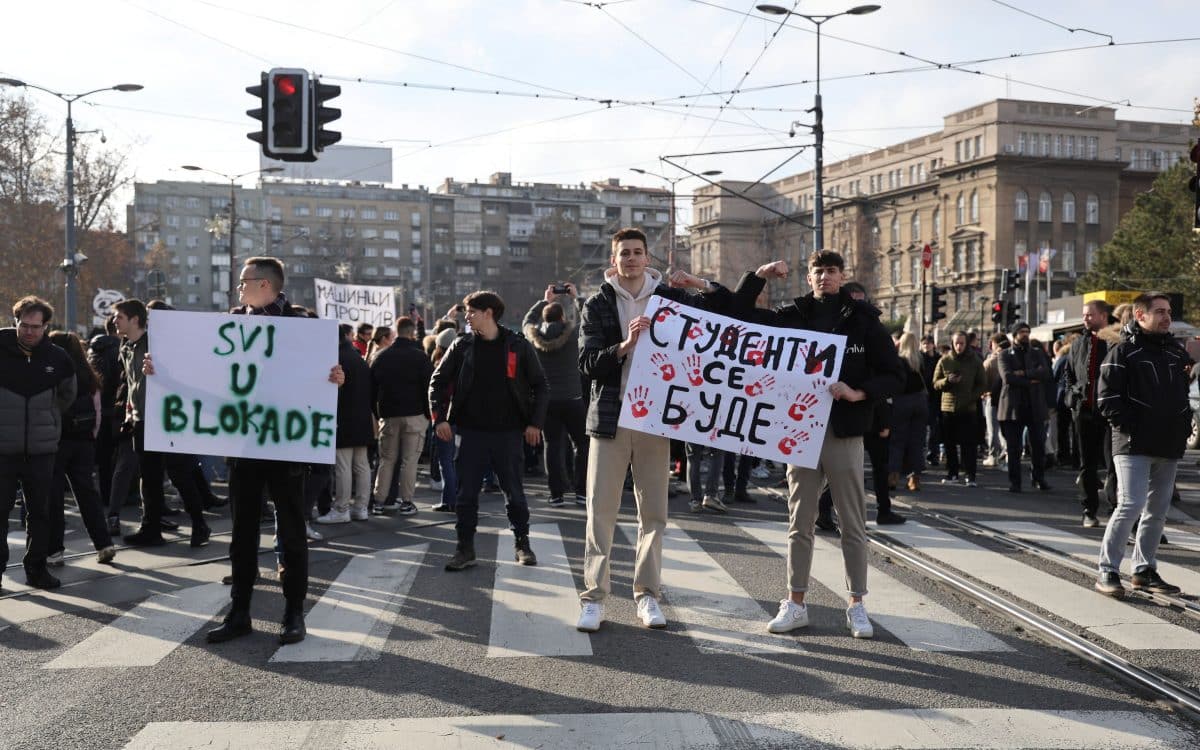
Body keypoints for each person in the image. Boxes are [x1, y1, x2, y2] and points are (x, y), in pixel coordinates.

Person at [733, 253, 904, 639]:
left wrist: (859, 393)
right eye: (818, 271)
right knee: (800, 522)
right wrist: (757, 277)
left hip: (844, 431)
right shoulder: (794, 313)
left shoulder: (862, 319)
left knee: (853, 522)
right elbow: (743, 320)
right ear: (808, 276)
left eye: (831, 271)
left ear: (842, 276)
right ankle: (795, 603)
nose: (824, 277)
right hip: (801, 432)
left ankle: (857, 605)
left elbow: (895, 374)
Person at [576, 227, 730, 632]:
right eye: (623, 253)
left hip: (655, 419)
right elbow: (588, 363)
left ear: (648, 259)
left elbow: (726, 315)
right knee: (600, 512)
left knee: (654, 514)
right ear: (614, 260)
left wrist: (697, 282)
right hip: (610, 419)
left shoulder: (672, 299)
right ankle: (593, 598)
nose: (630, 258)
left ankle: (646, 596)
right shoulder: (597, 304)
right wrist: (624, 346)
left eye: (637, 252)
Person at [194, 257, 345, 646]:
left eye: (243, 283)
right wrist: (157, 370)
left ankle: (293, 613)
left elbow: (325, 376)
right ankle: (239, 611)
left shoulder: (302, 326)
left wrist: (335, 378)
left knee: (291, 531)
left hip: (287, 445)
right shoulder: (230, 324)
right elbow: (206, 373)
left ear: (264, 285)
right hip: (243, 445)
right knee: (242, 533)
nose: (238, 289)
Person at [429, 291, 549, 572]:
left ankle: (522, 543)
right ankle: (464, 548)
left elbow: (541, 386)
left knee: (515, 494)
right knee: (466, 495)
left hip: (508, 434)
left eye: (471, 312)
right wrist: (439, 419)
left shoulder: (517, 345)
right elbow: (437, 381)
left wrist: (535, 423)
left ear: (489, 313)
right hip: (471, 433)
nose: (467, 317)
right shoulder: (461, 345)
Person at [1094, 293, 1192, 598]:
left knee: (1157, 511)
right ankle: (1107, 569)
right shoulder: (1124, 351)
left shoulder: (1175, 353)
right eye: (1160, 311)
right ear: (1140, 315)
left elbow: (1180, 396)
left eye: (1169, 311)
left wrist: (1182, 424)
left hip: (1168, 443)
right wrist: (1131, 426)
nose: (1166, 317)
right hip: (1133, 443)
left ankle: (1144, 570)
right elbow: (1106, 399)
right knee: (1131, 504)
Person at [113, 299, 211, 548]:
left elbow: (183, 375)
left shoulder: (158, 344)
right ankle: (151, 528)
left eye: (119, 317)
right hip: (141, 420)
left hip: (167, 419)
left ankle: (200, 524)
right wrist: (129, 413)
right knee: (149, 476)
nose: (115, 321)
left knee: (179, 473)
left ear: (135, 319)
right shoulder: (126, 347)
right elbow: (133, 385)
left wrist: (161, 372)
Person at [0, 296, 76, 590]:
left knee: (41, 512)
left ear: (46, 326)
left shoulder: (58, 358)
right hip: (3, 449)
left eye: (36, 326)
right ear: (15, 321)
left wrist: (48, 419)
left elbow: (67, 396)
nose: (30, 331)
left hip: (42, 450)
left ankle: (37, 569)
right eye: (24, 325)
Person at [46, 331, 117, 566]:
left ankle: (55, 550)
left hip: (57, 443)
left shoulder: (55, 374)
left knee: (54, 497)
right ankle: (104, 543)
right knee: (88, 495)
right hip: (84, 441)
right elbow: (96, 412)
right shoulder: (89, 375)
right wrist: (91, 436)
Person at [523, 285, 589, 507]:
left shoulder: (534, 339)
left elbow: (526, 322)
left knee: (552, 445)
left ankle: (556, 494)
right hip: (573, 399)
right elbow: (588, 321)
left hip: (547, 401)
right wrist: (575, 297)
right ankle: (581, 491)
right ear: (562, 317)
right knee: (581, 444)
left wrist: (544, 300)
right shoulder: (572, 338)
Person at [369, 316, 432, 517]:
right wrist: (427, 414)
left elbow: (371, 389)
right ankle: (406, 502)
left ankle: (379, 501)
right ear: (412, 332)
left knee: (386, 460)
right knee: (409, 460)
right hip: (414, 414)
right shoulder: (420, 357)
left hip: (388, 415)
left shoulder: (381, 356)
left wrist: (378, 412)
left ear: (396, 331)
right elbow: (429, 388)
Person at [1062, 301, 1117, 528]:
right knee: (1087, 464)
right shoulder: (1078, 343)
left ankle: (1115, 508)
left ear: (1103, 316)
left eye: (1089, 315)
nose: (1085, 319)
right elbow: (1069, 375)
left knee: (1113, 464)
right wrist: (1073, 397)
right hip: (1083, 411)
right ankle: (1089, 510)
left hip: (1109, 414)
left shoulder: (1115, 341)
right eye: (1084, 315)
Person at [316, 325, 374, 524]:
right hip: (362, 419)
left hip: (343, 418)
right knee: (361, 465)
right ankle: (361, 507)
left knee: (343, 466)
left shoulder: (336, 360)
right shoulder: (359, 359)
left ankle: (342, 508)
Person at [997, 321, 1052, 493]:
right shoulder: (1005, 354)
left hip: (1035, 405)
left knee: (1038, 445)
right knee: (1014, 448)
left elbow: (1045, 373)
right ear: (1014, 335)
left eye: (1027, 331)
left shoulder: (1036, 352)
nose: (1025, 335)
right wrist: (1031, 379)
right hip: (1013, 407)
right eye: (1021, 332)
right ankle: (1015, 482)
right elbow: (1008, 378)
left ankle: (1038, 477)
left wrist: (1023, 374)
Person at [933, 330, 987, 487]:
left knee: (968, 444)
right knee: (949, 444)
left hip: (968, 409)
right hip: (948, 408)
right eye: (956, 343)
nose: (959, 346)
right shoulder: (945, 360)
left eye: (962, 343)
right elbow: (935, 383)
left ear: (967, 344)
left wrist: (971, 397)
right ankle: (952, 474)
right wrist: (947, 381)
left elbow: (982, 384)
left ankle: (970, 476)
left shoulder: (975, 361)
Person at [889, 332, 928, 494]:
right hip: (920, 401)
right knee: (917, 442)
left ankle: (893, 477)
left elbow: (896, 383)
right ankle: (914, 479)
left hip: (902, 402)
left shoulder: (899, 361)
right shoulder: (921, 361)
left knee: (897, 441)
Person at [980, 333, 1009, 467]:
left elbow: (981, 381)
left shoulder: (990, 362)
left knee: (992, 430)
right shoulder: (1012, 359)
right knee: (1006, 430)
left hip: (991, 397)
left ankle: (993, 456)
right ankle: (1007, 453)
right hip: (1008, 399)